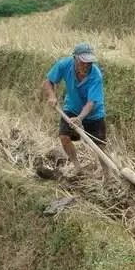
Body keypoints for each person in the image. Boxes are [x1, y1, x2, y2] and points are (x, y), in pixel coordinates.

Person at [43, 42, 110, 179]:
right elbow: (49, 81)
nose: (86, 66)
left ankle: (108, 176)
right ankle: (78, 168)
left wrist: (80, 118)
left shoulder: (95, 75)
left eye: (89, 63)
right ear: (75, 58)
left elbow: (91, 102)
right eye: (82, 62)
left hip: (93, 113)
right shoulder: (64, 65)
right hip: (72, 107)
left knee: (100, 147)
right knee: (64, 137)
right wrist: (51, 95)